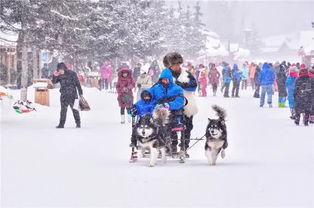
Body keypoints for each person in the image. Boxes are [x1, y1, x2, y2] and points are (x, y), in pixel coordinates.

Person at [159, 52, 197, 156]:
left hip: (187, 103)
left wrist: (181, 85)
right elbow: (160, 86)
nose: (176, 67)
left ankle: (184, 147)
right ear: (169, 65)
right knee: (171, 125)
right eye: (174, 65)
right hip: (171, 103)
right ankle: (173, 146)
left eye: (178, 64)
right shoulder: (166, 74)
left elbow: (194, 85)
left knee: (187, 126)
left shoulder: (186, 73)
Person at [52, 62, 83, 128]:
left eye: (61, 69)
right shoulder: (59, 75)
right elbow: (54, 82)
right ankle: (61, 124)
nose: (60, 71)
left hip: (73, 95)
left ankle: (78, 123)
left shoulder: (72, 73)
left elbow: (77, 83)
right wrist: (55, 76)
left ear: (64, 68)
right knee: (63, 111)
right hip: (64, 95)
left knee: (75, 110)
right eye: (59, 70)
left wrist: (80, 93)